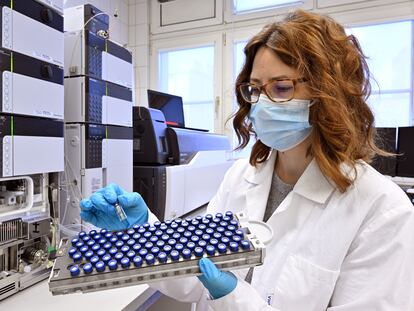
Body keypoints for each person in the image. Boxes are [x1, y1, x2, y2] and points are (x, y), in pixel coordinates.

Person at [79, 9, 414, 310]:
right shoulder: (241, 177)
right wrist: (143, 235)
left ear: (330, 94)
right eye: (255, 89)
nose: (262, 105)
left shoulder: (381, 211)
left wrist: (233, 297)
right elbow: (196, 277)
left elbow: (223, 292)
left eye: (281, 88)